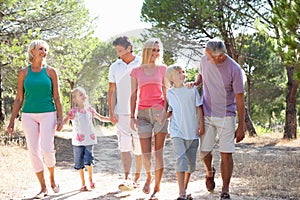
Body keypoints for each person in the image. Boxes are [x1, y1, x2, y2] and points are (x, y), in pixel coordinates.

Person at [7, 40, 62, 198]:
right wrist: (11, 121)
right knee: (33, 152)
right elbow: (18, 98)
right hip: (28, 114)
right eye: (40, 49)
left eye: (45, 50)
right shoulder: (23, 73)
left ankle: (52, 179)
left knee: (46, 148)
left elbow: (57, 97)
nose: (44, 52)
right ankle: (43, 188)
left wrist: (60, 117)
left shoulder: (51, 71)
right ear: (32, 52)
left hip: (48, 113)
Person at [193, 38, 245, 200]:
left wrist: (241, 126)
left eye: (210, 56)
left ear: (221, 56)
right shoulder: (204, 59)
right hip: (207, 113)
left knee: (226, 153)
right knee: (204, 152)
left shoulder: (234, 70)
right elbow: (201, 73)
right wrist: (197, 82)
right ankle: (210, 172)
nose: (207, 59)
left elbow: (240, 99)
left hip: (226, 115)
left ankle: (225, 189)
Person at [130, 38, 168, 199]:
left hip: (159, 112)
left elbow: (167, 93)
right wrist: (132, 116)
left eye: (158, 50)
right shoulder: (136, 71)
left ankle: (157, 188)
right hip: (143, 114)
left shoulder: (164, 69)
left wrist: (165, 113)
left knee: (157, 153)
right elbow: (133, 95)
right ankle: (149, 177)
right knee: (145, 154)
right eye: (153, 50)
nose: (156, 53)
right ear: (146, 50)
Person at [57, 86, 110, 192]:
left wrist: (111, 119)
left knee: (89, 160)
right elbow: (66, 119)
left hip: (89, 140)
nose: (84, 96)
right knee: (79, 162)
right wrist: (61, 124)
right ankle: (83, 183)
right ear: (75, 99)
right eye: (81, 95)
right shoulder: (74, 111)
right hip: (77, 141)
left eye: (84, 94)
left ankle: (90, 179)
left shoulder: (90, 110)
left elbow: (101, 118)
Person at [108, 36, 143, 190]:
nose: (118, 54)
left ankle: (137, 178)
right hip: (121, 113)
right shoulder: (114, 67)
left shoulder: (142, 62)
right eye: (117, 51)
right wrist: (111, 111)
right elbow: (111, 91)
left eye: (120, 50)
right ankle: (127, 178)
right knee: (124, 147)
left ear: (129, 48)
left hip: (140, 112)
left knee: (139, 147)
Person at [165, 66, 204, 200]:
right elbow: (170, 111)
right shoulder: (169, 93)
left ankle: (185, 190)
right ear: (171, 78)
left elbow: (199, 108)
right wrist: (162, 117)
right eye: (178, 73)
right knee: (180, 159)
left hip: (192, 132)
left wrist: (201, 125)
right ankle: (181, 193)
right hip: (177, 132)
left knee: (190, 165)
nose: (183, 74)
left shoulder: (192, 89)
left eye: (183, 72)